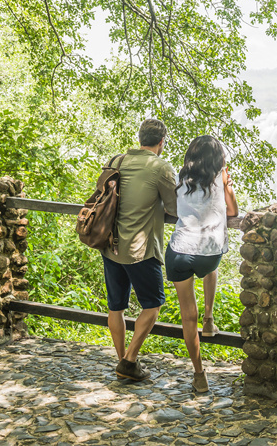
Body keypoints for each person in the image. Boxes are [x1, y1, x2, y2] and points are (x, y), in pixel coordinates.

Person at [104, 118, 178, 381]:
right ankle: (129, 360)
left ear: (139, 138)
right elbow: (174, 208)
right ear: (161, 142)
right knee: (153, 305)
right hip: (140, 250)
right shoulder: (160, 168)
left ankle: (122, 363)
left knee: (116, 308)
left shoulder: (117, 161)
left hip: (110, 246)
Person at [165, 135, 238, 393]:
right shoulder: (220, 179)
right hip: (210, 255)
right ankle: (209, 318)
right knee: (210, 262)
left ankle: (199, 374)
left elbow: (175, 209)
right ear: (218, 160)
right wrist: (227, 184)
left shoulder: (180, 179)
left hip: (179, 253)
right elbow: (233, 213)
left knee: (187, 316)